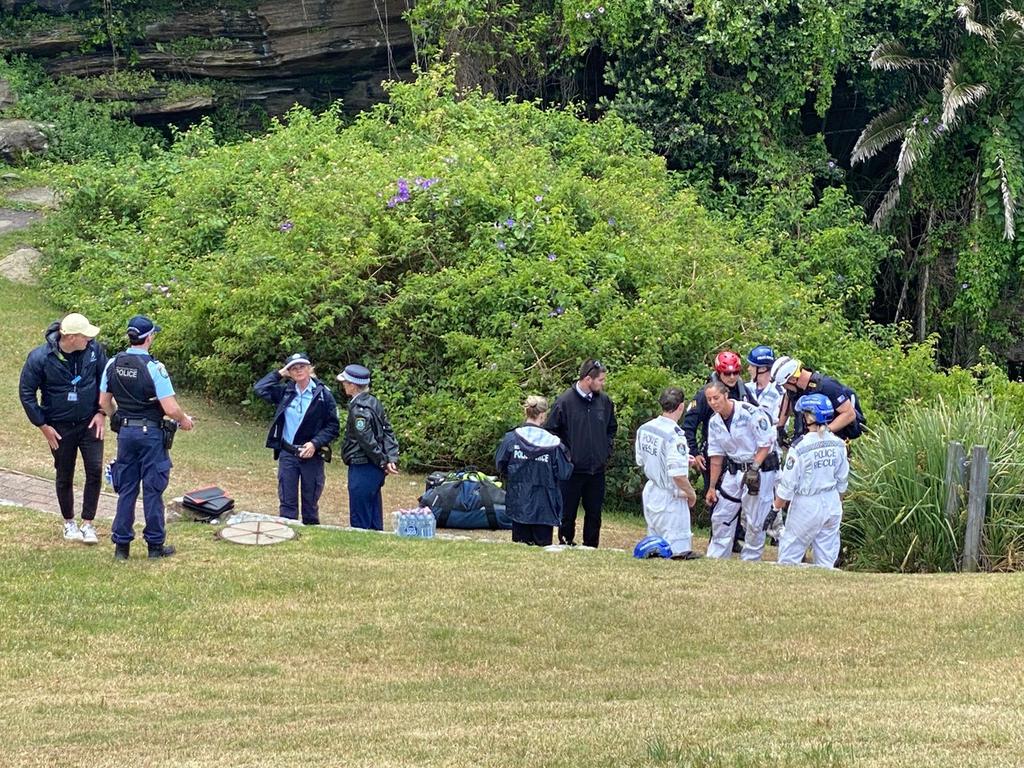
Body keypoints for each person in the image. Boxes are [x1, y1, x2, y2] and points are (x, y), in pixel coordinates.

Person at [99, 316, 193, 560]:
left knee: (127, 489)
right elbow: (170, 408)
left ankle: (121, 548)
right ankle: (154, 546)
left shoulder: (113, 364)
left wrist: (117, 418)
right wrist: (184, 420)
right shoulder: (155, 368)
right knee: (152, 489)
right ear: (149, 337)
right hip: (150, 434)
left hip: (126, 433)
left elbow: (103, 402)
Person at [19, 312, 108, 544]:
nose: (89, 339)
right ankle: (69, 523)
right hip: (59, 426)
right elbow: (27, 393)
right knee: (64, 473)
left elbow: (104, 382)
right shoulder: (40, 357)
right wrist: (43, 425)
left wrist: (101, 412)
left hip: (89, 422)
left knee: (95, 470)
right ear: (70, 337)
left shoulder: (94, 351)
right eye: (84, 336)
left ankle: (88, 523)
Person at [254, 353, 340, 526]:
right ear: (289, 372)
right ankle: (287, 535)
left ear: (310, 368)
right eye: (294, 368)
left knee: (310, 503)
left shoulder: (323, 394)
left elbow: (333, 426)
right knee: (287, 502)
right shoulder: (285, 391)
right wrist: (279, 374)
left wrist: (315, 444)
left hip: (311, 456)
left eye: (302, 366)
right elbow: (259, 389)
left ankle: (310, 541)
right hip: (288, 453)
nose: (298, 370)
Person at [767, 393, 850, 567]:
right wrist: (837, 503)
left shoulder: (800, 447)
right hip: (832, 501)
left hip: (807, 504)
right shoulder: (839, 444)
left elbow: (787, 486)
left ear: (810, 417)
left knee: (789, 555)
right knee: (827, 558)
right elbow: (842, 481)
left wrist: (775, 509)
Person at [545, 358, 617, 547]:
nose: (603, 383)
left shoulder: (605, 401)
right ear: (587, 379)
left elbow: (611, 428)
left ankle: (591, 545)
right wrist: (565, 455)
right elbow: (551, 431)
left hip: (597, 469)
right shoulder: (564, 401)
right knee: (568, 511)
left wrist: (606, 450)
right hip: (571, 470)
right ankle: (565, 542)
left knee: (594, 512)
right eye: (600, 380)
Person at [703, 381, 778, 560]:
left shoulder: (750, 413)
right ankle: (717, 556)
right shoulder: (714, 422)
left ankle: (751, 559)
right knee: (722, 513)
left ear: (726, 395)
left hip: (758, 468)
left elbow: (765, 443)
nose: (713, 403)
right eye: (709, 399)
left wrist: (754, 469)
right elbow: (716, 456)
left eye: (716, 398)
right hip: (734, 469)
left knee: (754, 518)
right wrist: (712, 486)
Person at [494, 395, 574, 546]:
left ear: (527, 413)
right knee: (542, 552)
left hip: (519, 502)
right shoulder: (554, 444)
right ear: (543, 415)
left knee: (519, 549)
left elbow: (500, 464)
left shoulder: (511, 439)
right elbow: (565, 472)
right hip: (545, 505)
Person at [634, 387, 700, 559]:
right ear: (681, 407)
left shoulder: (645, 428)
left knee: (654, 546)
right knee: (676, 550)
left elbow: (642, 460)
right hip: (670, 497)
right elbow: (677, 475)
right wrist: (691, 494)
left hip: (652, 492)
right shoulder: (675, 435)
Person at [337, 364, 399, 530]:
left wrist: (382, 461)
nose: (343, 386)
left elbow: (366, 440)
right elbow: (387, 430)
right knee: (373, 510)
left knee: (360, 514)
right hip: (374, 466)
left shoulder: (359, 409)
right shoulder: (374, 402)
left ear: (352, 385)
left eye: (345, 383)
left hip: (363, 464)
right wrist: (391, 457)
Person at [770, 356, 865, 442]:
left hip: (831, 443)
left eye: (784, 385)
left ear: (792, 380)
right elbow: (788, 398)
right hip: (805, 440)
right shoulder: (795, 388)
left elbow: (849, 414)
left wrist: (823, 432)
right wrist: (780, 427)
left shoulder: (827, 386)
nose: (785, 388)